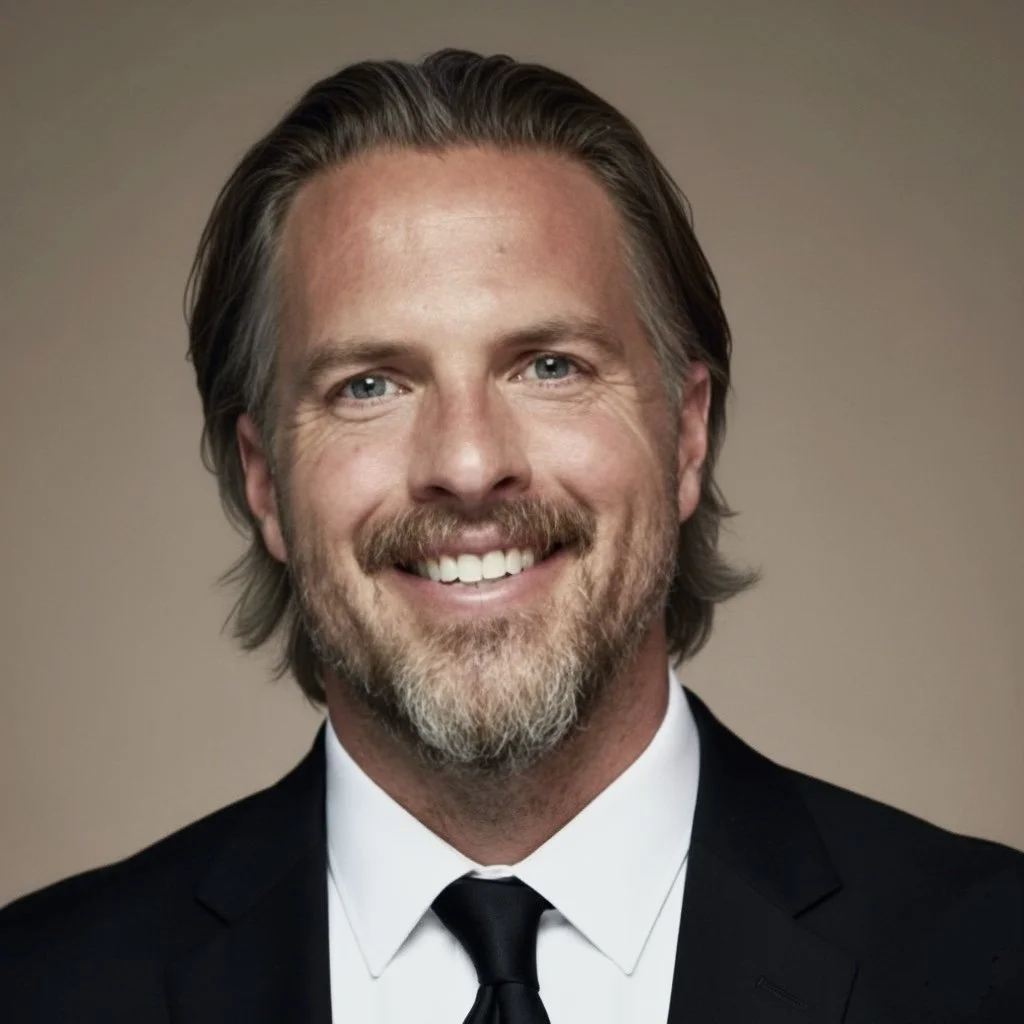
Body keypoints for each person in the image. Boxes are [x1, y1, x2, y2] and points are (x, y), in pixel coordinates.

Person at [1, 48, 1021, 1023]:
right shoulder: (41, 989)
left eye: (549, 365)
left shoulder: (991, 964)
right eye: (369, 384)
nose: (469, 461)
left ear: (686, 434)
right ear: (264, 480)